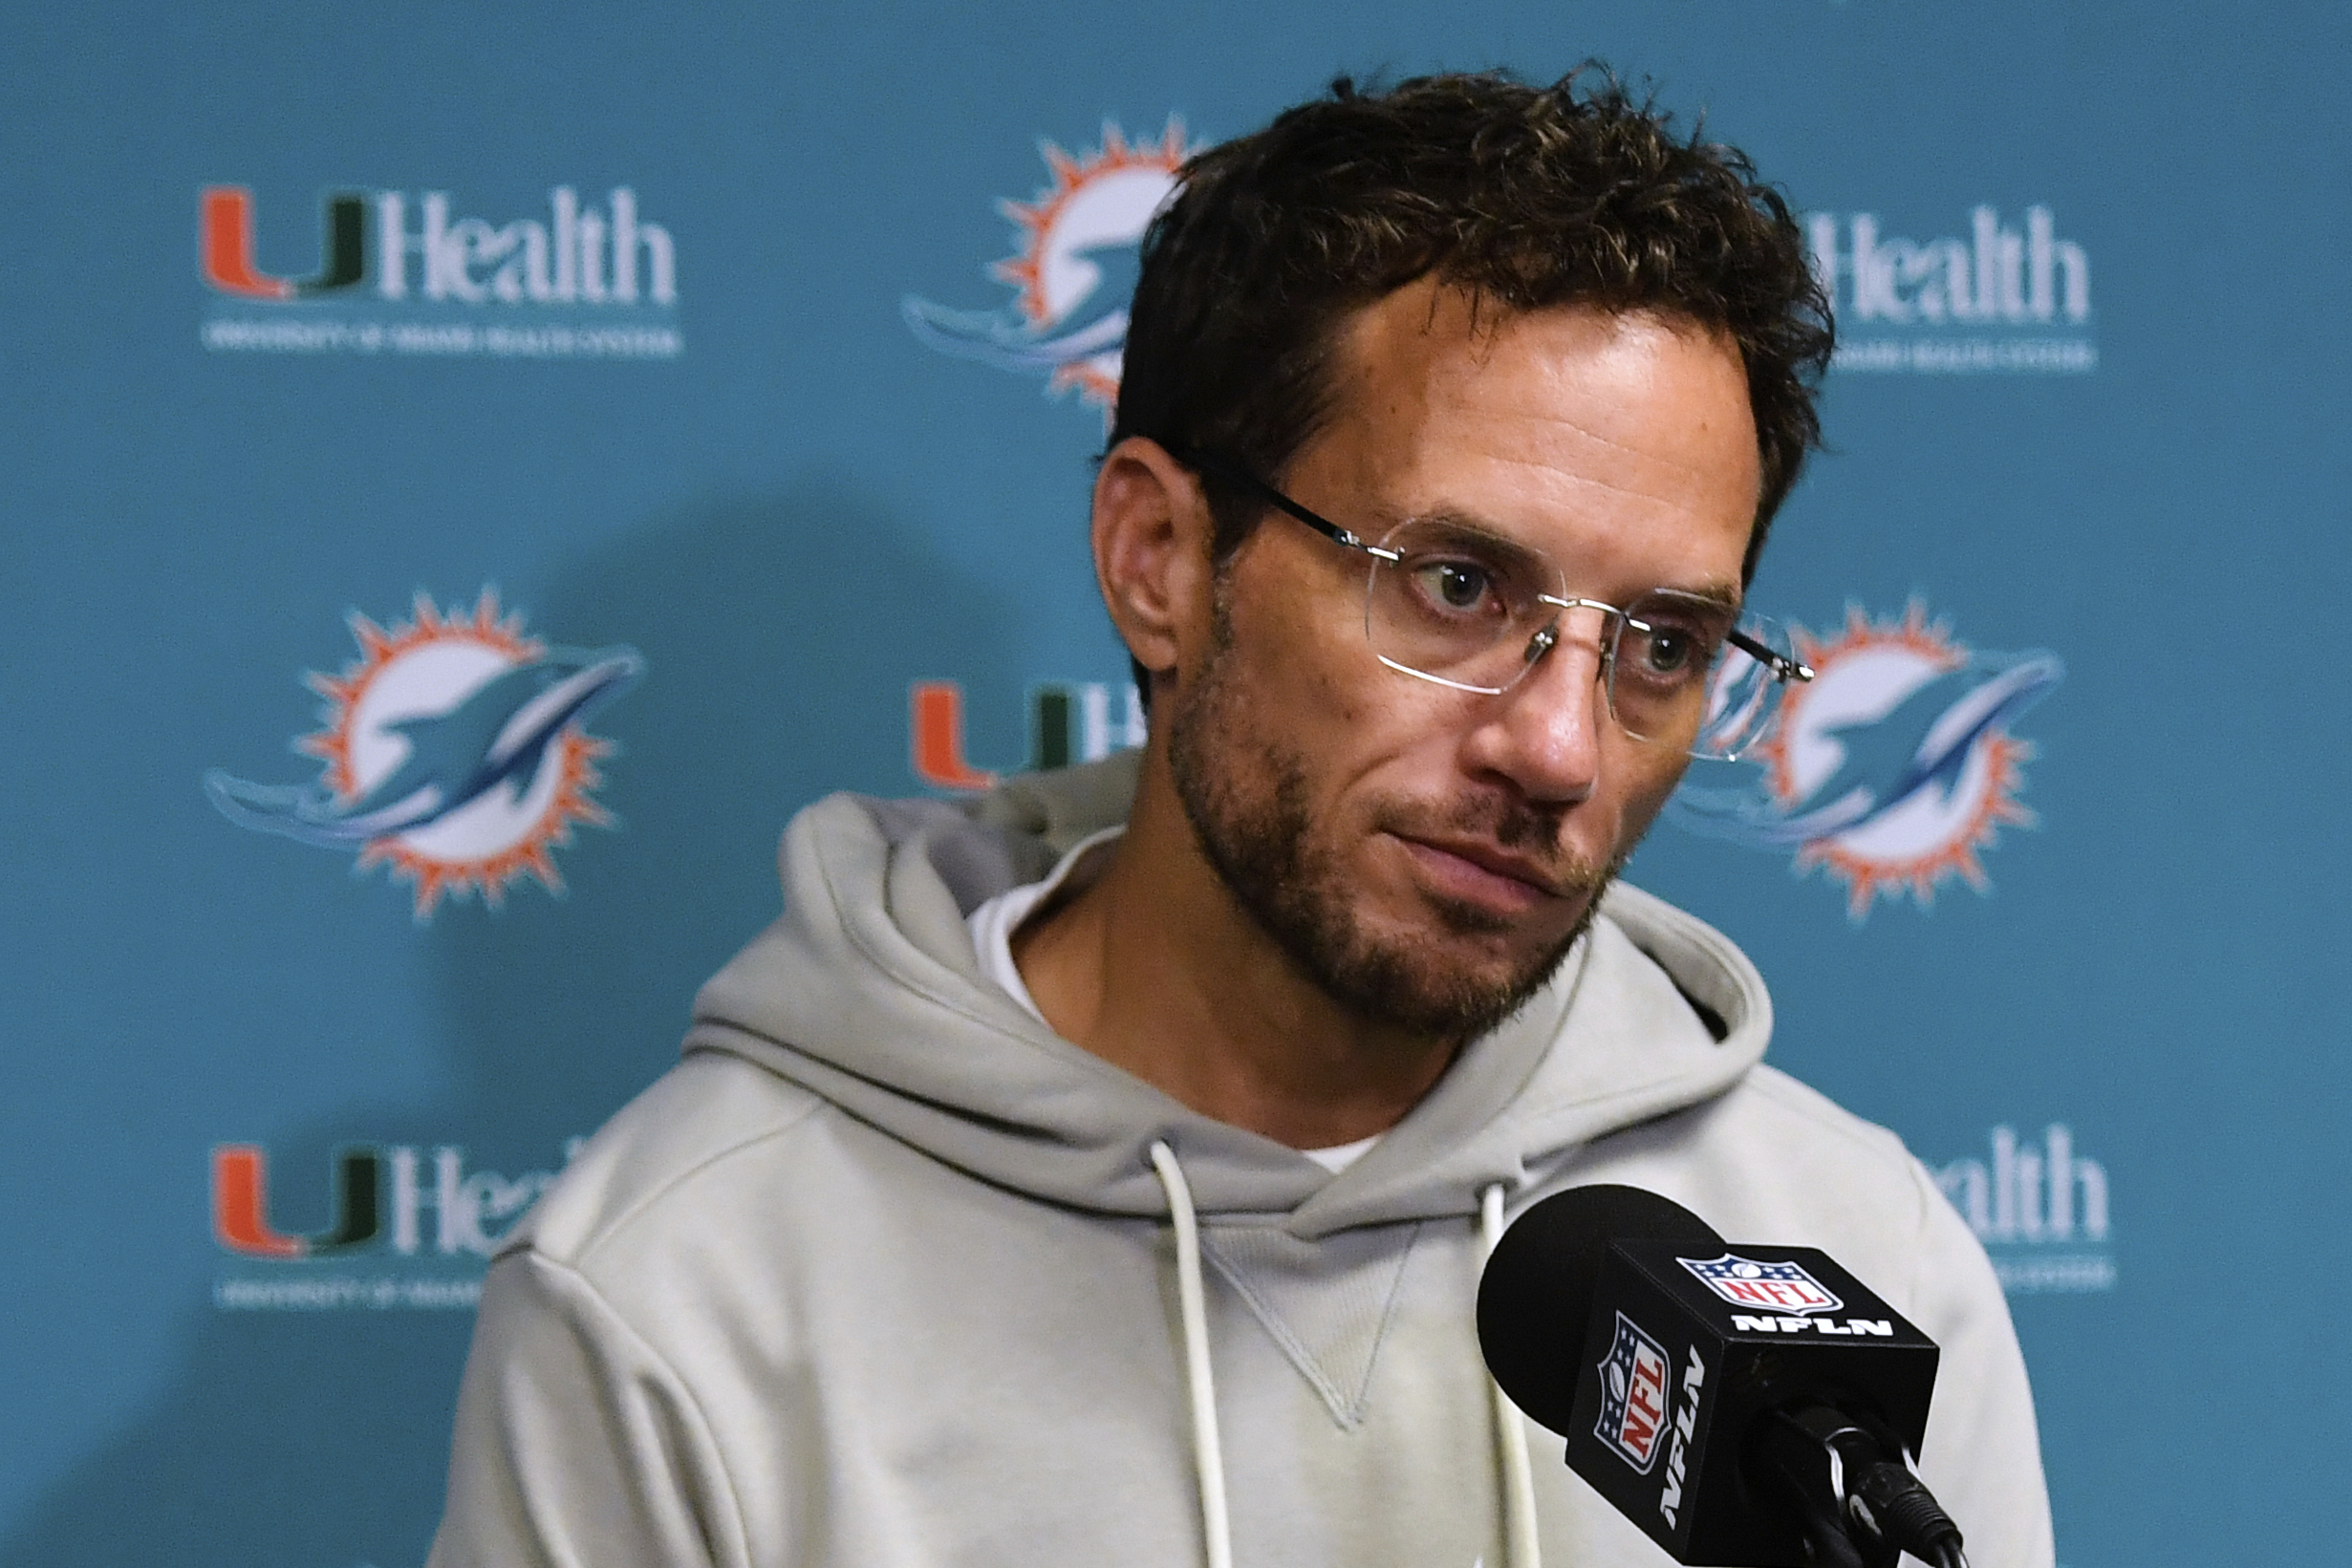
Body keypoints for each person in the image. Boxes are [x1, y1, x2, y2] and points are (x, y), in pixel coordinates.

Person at [429, 69, 2055, 1568]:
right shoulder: (681, 1294)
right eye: (1455, 584)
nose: (1560, 747)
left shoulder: (1849, 1256)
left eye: (1667, 645)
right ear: (1160, 558)